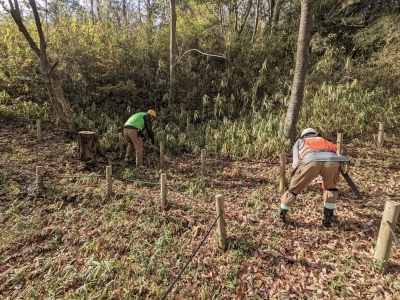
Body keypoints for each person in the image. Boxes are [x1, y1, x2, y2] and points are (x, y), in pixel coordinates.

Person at [272, 128, 349, 227]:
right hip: (333, 162)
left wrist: (297, 173)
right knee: (331, 189)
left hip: (310, 161)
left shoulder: (301, 141)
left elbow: (296, 161)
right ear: (316, 134)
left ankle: (281, 216)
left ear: (303, 135)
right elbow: (338, 155)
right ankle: (328, 220)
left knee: (293, 190)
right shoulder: (325, 141)